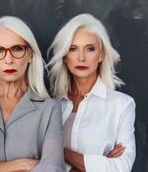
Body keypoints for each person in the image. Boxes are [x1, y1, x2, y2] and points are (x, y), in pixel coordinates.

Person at [0, 16, 64, 172]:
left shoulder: (50, 109)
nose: (9, 59)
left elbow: (52, 168)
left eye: (17, 49)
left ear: (30, 54)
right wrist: (12, 167)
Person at [47, 13, 136, 172]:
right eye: (73, 49)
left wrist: (61, 152)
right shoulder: (50, 106)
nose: (81, 57)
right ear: (65, 56)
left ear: (101, 54)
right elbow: (36, 160)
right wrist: (98, 164)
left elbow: (122, 167)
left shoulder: (122, 105)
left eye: (90, 49)